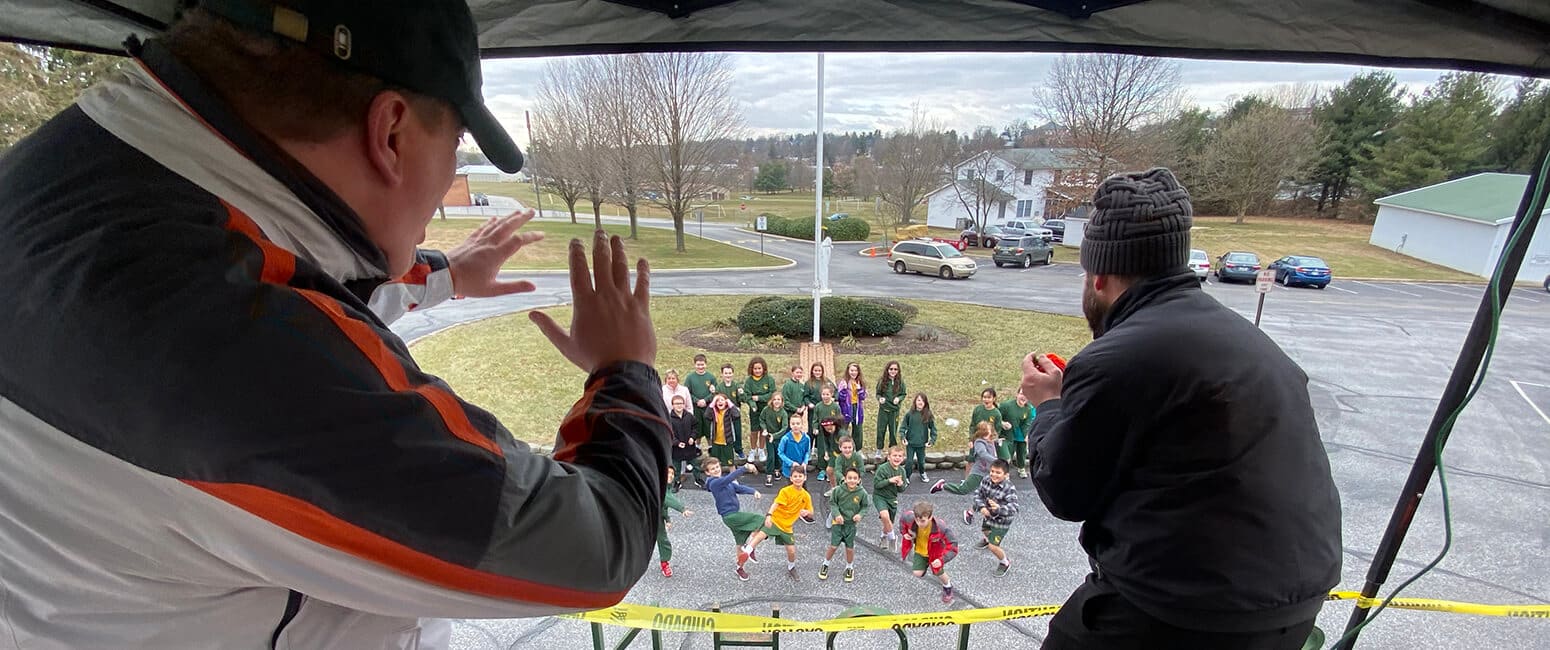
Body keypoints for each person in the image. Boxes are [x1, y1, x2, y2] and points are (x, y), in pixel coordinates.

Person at [0, 2, 670, 646]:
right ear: (391, 133)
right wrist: (626, 372)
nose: (446, 188)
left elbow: (279, 275)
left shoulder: (70, 174)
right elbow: (593, 550)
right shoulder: (235, 354)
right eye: (457, 146)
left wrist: (442, 276)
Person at [1020, 168, 1340, 649]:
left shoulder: (1118, 359)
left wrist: (1048, 405)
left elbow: (1065, 492)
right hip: (1291, 608)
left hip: (1182, 612)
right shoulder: (1250, 342)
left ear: (1100, 276)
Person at [737, 465, 814, 581]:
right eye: (795, 476)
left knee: (791, 551)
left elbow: (812, 512)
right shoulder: (785, 491)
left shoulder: (806, 496)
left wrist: (807, 512)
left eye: (800, 476)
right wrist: (769, 515)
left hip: (787, 527)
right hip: (776, 520)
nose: (798, 478)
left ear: (804, 478)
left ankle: (791, 567)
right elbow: (776, 504)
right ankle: (746, 552)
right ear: (791, 478)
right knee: (761, 535)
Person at [703, 459, 764, 582]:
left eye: (717, 466)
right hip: (731, 516)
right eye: (712, 468)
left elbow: (738, 488)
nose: (716, 469)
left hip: (733, 515)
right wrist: (744, 467)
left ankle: (739, 568)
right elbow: (729, 479)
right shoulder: (714, 483)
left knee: (739, 543)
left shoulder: (725, 482)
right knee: (761, 520)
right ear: (707, 472)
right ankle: (750, 548)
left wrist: (753, 491)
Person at [899, 500, 959, 604]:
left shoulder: (941, 527)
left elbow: (953, 545)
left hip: (935, 554)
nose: (919, 523)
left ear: (930, 517)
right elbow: (903, 520)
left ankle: (948, 587)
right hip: (920, 551)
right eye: (917, 520)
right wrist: (904, 533)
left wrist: (942, 560)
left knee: (938, 573)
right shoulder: (910, 518)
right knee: (917, 573)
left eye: (922, 521)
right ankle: (925, 564)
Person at [929, 421, 998, 510]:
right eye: (987, 431)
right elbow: (983, 454)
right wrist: (996, 461)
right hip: (979, 473)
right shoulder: (979, 442)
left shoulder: (990, 442)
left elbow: (993, 454)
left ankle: (972, 512)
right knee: (963, 490)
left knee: (988, 495)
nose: (989, 432)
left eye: (989, 430)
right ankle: (942, 486)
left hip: (989, 473)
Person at [819, 467, 871, 583]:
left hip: (851, 525)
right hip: (838, 523)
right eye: (849, 478)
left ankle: (849, 567)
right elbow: (833, 503)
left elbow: (865, 507)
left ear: (858, 480)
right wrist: (837, 515)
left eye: (855, 478)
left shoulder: (862, 493)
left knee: (849, 548)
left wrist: (860, 515)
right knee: (833, 546)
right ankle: (825, 564)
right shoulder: (838, 490)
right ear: (845, 479)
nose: (852, 480)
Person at [970, 460, 1019, 577]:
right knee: (985, 530)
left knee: (993, 547)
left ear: (1006, 475)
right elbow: (978, 494)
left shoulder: (1009, 488)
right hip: (988, 515)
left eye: (998, 472)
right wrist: (981, 507)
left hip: (1001, 522)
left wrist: (999, 508)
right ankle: (988, 539)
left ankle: (1005, 562)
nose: (994, 475)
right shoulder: (986, 480)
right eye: (992, 471)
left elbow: (1014, 508)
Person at [657, 467, 693, 578]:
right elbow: (668, 499)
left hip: (657, 519)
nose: (671, 475)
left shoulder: (668, 488)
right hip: (645, 517)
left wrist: (667, 519)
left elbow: (664, 505)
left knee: (663, 541)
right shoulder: (659, 487)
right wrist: (682, 509)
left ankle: (664, 563)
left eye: (672, 473)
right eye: (668, 473)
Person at [825, 435, 865, 528]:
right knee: (839, 502)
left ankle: (851, 519)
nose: (847, 450)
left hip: (856, 483)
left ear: (853, 447)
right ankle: (832, 516)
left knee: (855, 502)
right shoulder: (839, 458)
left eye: (849, 447)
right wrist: (844, 479)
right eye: (845, 447)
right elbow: (837, 471)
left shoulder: (857, 457)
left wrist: (857, 478)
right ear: (840, 448)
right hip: (843, 484)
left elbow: (862, 470)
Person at [872, 446, 909, 547]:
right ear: (889, 457)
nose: (897, 458)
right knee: (884, 516)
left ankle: (883, 536)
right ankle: (892, 538)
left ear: (902, 458)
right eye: (894, 455)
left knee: (888, 522)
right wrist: (889, 481)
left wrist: (901, 484)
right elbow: (876, 485)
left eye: (900, 456)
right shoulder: (882, 469)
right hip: (880, 496)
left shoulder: (902, 471)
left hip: (892, 498)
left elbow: (902, 489)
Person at [743, 357, 776, 466]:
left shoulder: (769, 379)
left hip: (766, 408)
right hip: (754, 409)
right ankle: (753, 450)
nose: (757, 371)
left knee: (763, 430)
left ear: (763, 368)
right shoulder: (749, 381)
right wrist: (752, 404)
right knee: (754, 430)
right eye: (755, 368)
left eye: (759, 368)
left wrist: (758, 398)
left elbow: (771, 394)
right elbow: (747, 396)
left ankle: (761, 449)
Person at [873, 360, 908, 460]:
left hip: (894, 411)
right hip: (883, 410)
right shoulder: (882, 381)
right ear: (887, 370)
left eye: (895, 369)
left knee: (893, 431)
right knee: (881, 430)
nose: (893, 371)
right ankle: (879, 450)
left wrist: (899, 399)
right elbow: (878, 393)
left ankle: (892, 451)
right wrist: (880, 399)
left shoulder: (900, 382)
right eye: (891, 369)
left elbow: (903, 394)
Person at [901, 393, 938, 482]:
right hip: (910, 443)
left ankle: (922, 473)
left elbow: (933, 429)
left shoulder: (928, 414)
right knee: (909, 462)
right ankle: (907, 476)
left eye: (922, 400)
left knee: (921, 462)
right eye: (918, 400)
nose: (920, 402)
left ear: (925, 402)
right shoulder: (910, 414)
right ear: (915, 402)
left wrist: (932, 440)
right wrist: (903, 437)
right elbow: (903, 427)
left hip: (922, 444)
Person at [998, 389, 1034, 478]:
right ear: (1017, 394)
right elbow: (996, 417)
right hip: (1007, 435)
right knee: (1008, 454)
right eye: (1022, 394)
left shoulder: (1028, 409)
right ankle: (1005, 471)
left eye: (1027, 394)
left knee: (1022, 452)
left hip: (1020, 435)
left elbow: (1026, 424)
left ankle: (1021, 468)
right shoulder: (1006, 406)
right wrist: (1002, 423)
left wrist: (1026, 435)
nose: (1024, 397)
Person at [668, 395, 702, 490]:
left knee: (695, 465)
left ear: (684, 405)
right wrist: (676, 443)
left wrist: (693, 437)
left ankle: (698, 479)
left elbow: (695, 427)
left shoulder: (689, 416)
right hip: (676, 448)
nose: (679, 405)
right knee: (676, 468)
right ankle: (677, 482)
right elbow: (668, 433)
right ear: (672, 405)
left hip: (690, 446)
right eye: (676, 403)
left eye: (681, 403)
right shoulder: (669, 419)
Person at [714, 363, 746, 460]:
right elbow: (716, 400)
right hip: (724, 414)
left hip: (735, 413)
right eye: (726, 373)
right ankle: (726, 449)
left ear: (733, 374)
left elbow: (743, 400)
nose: (728, 375)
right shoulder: (719, 387)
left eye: (729, 373)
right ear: (722, 374)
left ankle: (738, 449)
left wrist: (741, 394)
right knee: (725, 432)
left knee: (737, 431)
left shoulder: (736, 386)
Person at [810, 386, 843, 475]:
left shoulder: (835, 407)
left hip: (832, 433)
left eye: (827, 394)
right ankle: (822, 469)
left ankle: (831, 469)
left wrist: (837, 430)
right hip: (821, 433)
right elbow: (815, 419)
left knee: (831, 450)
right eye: (823, 394)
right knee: (822, 450)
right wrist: (815, 427)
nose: (825, 396)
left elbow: (839, 419)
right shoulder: (818, 406)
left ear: (831, 394)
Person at [759, 393, 791, 485]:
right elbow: (761, 419)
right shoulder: (766, 410)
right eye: (775, 399)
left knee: (778, 455)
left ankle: (777, 470)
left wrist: (775, 436)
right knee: (771, 456)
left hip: (778, 438)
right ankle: (769, 474)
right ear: (771, 401)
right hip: (769, 437)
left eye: (779, 400)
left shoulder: (783, 413)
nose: (776, 401)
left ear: (782, 402)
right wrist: (764, 429)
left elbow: (784, 428)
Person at [687, 354, 718, 440]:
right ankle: (698, 447)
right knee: (697, 428)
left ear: (706, 364)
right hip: (696, 407)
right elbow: (687, 392)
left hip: (708, 407)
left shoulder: (711, 377)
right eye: (698, 364)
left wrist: (705, 400)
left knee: (708, 428)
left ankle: (710, 446)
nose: (700, 367)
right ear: (694, 365)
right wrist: (697, 401)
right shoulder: (690, 378)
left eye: (702, 364)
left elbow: (715, 392)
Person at [703, 393, 739, 466]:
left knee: (730, 462)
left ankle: (733, 477)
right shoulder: (713, 412)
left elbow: (737, 415)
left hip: (727, 441)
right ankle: (716, 477)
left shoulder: (729, 411)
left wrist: (730, 404)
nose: (720, 402)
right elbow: (706, 416)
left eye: (722, 400)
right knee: (715, 463)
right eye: (717, 400)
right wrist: (712, 404)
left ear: (726, 402)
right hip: (716, 441)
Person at [969, 388, 1006, 459]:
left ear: (994, 399)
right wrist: (971, 440)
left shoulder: (996, 414)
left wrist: (991, 440)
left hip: (988, 442)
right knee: (971, 460)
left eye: (989, 397)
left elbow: (997, 430)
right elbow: (972, 426)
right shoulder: (978, 409)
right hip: (976, 440)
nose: (986, 400)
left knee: (986, 460)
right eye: (984, 397)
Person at [776, 413, 814, 481]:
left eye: (798, 423)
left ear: (802, 425)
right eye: (793, 424)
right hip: (789, 470)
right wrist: (791, 463)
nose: (795, 426)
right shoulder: (785, 439)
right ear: (790, 425)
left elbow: (807, 452)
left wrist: (805, 463)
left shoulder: (806, 438)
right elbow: (780, 453)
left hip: (801, 470)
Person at [836, 362, 867, 438]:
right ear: (848, 371)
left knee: (857, 427)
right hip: (846, 407)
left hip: (857, 407)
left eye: (856, 371)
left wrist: (859, 389)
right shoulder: (843, 382)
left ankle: (857, 448)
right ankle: (842, 445)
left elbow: (863, 397)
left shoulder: (860, 382)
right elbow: (840, 398)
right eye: (852, 371)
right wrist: (844, 390)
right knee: (844, 427)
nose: (854, 373)